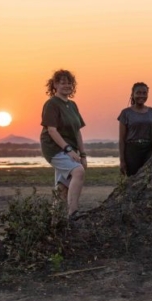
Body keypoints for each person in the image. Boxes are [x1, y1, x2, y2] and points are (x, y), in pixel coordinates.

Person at [40, 69, 87, 220]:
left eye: (69, 83)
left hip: (70, 148)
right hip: (54, 148)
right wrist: (68, 150)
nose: (67, 86)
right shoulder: (51, 104)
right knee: (78, 172)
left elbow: (77, 131)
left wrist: (83, 154)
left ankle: (53, 223)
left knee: (62, 189)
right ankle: (73, 213)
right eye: (62, 83)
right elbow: (52, 130)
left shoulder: (73, 105)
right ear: (55, 85)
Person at [118, 82, 152, 176]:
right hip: (131, 151)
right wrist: (122, 161)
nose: (141, 95)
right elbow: (121, 139)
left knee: (148, 179)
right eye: (138, 93)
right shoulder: (125, 113)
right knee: (132, 181)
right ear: (132, 94)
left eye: (144, 93)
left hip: (148, 150)